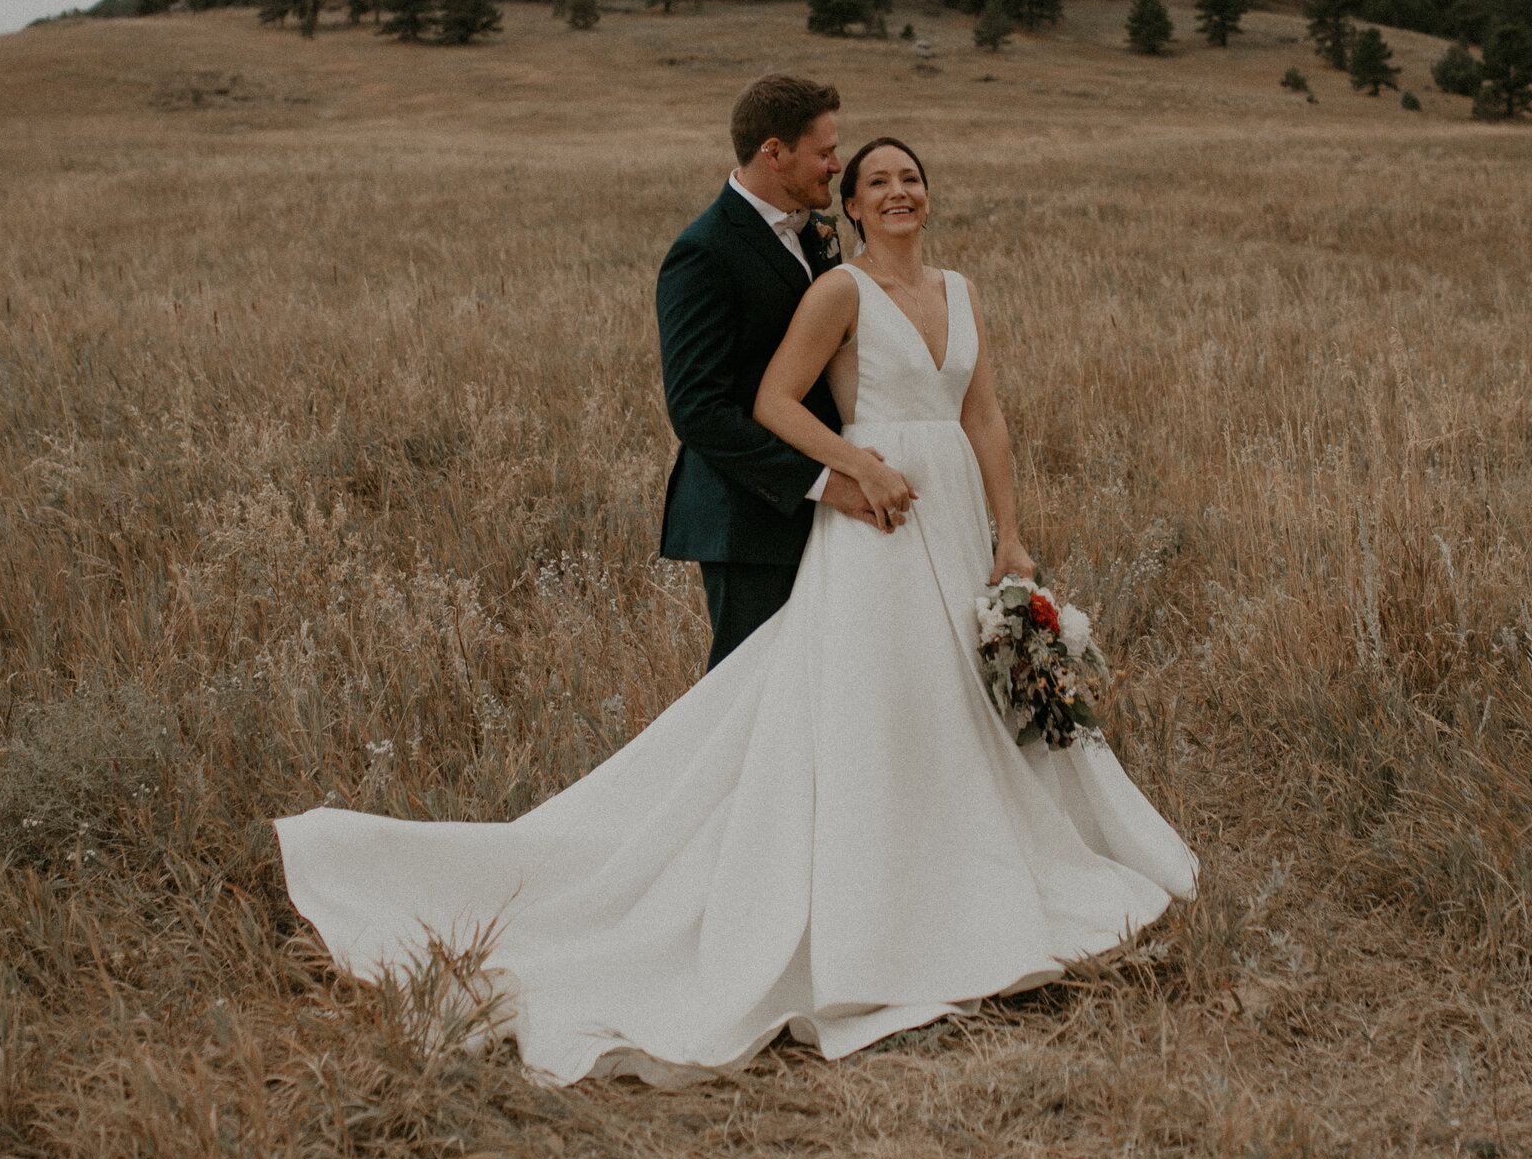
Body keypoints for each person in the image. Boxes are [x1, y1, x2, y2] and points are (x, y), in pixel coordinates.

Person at [275, 132, 1196, 1088]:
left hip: (957, 516)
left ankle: (972, 872)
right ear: (848, 204)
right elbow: (769, 400)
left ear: (932, 195)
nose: (897, 191)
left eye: (911, 178)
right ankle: (864, 910)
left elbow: (986, 417)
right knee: (868, 700)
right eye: (875, 180)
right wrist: (854, 465)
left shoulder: (961, 290)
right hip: (877, 516)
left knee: (952, 700)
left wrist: (1011, 535)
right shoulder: (838, 291)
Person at [649, 74, 907, 668]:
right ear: (773, 151)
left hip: (832, 501)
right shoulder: (704, 252)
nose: (836, 164)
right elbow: (698, 409)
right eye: (823, 152)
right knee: (752, 697)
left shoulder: (816, 233)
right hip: (751, 521)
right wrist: (822, 483)